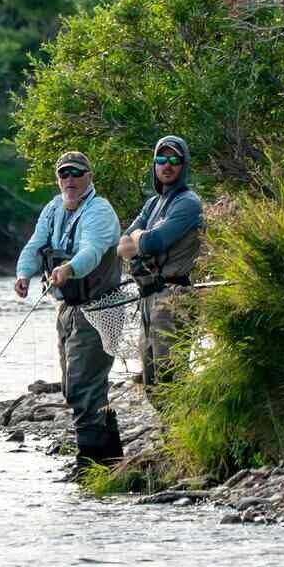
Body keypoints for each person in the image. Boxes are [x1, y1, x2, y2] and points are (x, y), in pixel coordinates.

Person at [13, 151, 124, 469]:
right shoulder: (53, 209)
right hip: (68, 309)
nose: (70, 179)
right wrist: (23, 274)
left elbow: (92, 251)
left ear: (89, 177)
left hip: (100, 309)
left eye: (77, 173)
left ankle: (89, 462)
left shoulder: (99, 212)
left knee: (82, 386)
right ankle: (110, 461)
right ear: (58, 179)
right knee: (75, 386)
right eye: (64, 173)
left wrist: (69, 268)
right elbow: (35, 245)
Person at [117, 135, 204, 387]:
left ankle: (188, 413)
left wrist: (139, 237)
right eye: (161, 159)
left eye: (174, 160)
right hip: (148, 297)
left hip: (175, 297)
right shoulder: (153, 203)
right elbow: (123, 245)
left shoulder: (188, 203)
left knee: (171, 378)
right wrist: (138, 238)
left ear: (183, 165)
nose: (167, 165)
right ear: (154, 164)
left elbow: (153, 241)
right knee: (152, 382)